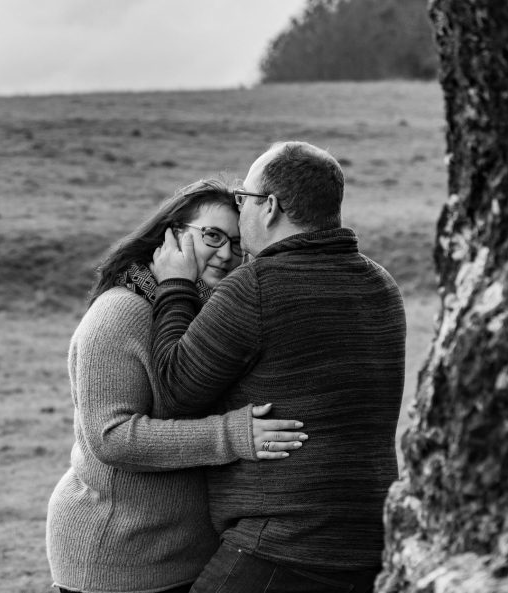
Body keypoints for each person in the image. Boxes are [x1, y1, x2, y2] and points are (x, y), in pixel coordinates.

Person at [150, 142, 407, 592]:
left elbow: (174, 390)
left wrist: (174, 284)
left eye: (242, 198)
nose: (239, 208)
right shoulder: (381, 284)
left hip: (281, 546)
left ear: (269, 207)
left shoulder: (257, 288)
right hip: (370, 545)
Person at [46, 179, 308, 593]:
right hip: (118, 556)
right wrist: (233, 435)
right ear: (170, 236)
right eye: (212, 236)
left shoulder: (194, 314)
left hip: (184, 555)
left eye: (236, 243)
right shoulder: (121, 314)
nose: (225, 254)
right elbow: (111, 438)